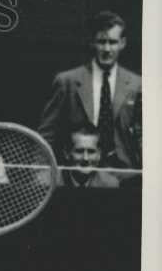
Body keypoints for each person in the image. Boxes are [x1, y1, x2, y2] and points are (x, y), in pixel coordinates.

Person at [38, 11, 142, 171]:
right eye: (101, 42)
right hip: (79, 173)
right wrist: (41, 174)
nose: (107, 49)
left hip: (124, 174)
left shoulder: (137, 84)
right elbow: (47, 133)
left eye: (112, 42)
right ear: (92, 43)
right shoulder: (67, 82)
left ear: (123, 43)